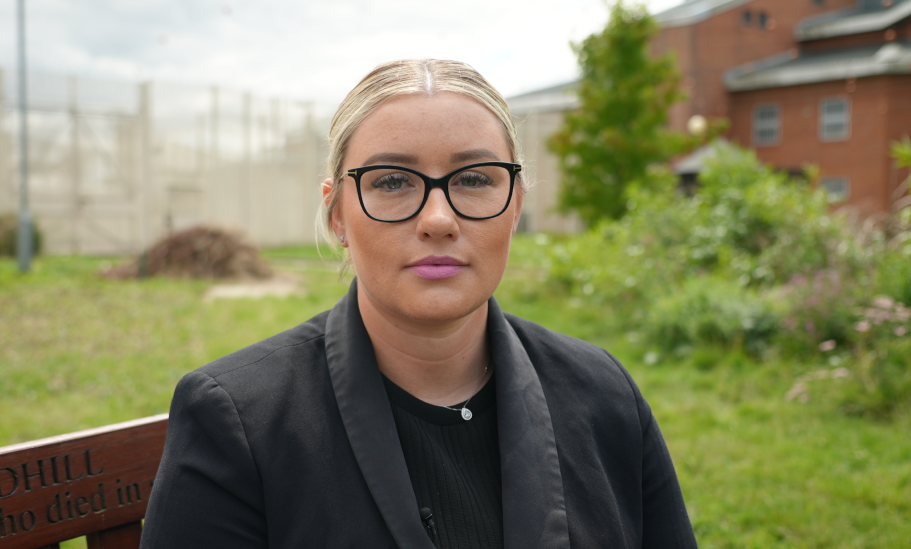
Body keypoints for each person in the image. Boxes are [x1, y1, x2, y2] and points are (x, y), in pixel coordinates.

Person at [140, 59, 697, 549]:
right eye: (392, 182)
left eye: (475, 178)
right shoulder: (240, 420)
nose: (437, 220)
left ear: (515, 205)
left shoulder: (604, 394)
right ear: (337, 214)